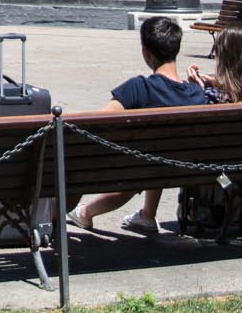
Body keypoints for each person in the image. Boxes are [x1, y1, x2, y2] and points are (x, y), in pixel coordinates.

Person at [67, 16, 209, 235]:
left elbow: (94, 122)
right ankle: (145, 215)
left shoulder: (139, 87)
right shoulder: (197, 94)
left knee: (145, 161)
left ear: (146, 52)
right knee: (159, 152)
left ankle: (83, 213)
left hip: (141, 169)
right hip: (186, 167)